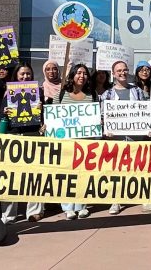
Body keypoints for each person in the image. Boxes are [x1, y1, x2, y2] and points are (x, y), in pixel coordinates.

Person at [100, 60, 150, 215]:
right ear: (113, 73)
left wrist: (149, 128)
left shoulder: (138, 91)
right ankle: (115, 201)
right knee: (116, 169)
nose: (122, 73)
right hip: (116, 138)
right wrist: (106, 129)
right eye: (119, 71)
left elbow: (146, 110)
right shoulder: (107, 94)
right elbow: (102, 117)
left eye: (125, 70)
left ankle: (146, 200)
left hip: (136, 137)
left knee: (140, 167)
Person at [0, 63, 44, 223]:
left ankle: (35, 211)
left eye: (28, 74)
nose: (25, 77)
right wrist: (4, 112)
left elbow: (45, 120)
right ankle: (8, 214)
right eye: (22, 74)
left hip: (33, 137)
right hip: (14, 138)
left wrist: (41, 110)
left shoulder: (39, 93)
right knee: (10, 177)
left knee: (35, 175)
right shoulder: (7, 94)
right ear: (16, 76)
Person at [55, 64, 96, 220]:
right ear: (72, 75)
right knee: (66, 175)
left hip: (85, 143)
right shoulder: (61, 95)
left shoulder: (91, 94)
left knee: (83, 174)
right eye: (78, 73)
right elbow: (53, 117)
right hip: (66, 143)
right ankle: (68, 207)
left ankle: (82, 206)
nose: (82, 76)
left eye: (85, 73)